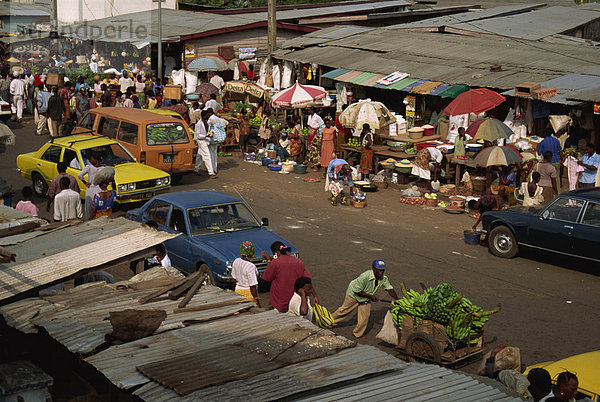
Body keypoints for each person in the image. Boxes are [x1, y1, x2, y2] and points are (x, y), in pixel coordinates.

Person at [331, 260, 399, 338]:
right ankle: (329, 323)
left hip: (366, 297)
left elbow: (389, 289)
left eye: (382, 270)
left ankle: (357, 333)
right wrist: (370, 296)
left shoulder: (383, 278)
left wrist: (397, 298)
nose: (381, 272)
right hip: (354, 295)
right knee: (343, 311)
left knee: (365, 316)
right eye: (379, 270)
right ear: (373, 269)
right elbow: (356, 291)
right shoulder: (365, 276)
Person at [261, 241, 316, 313]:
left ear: (275, 252)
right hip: (295, 299)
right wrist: (315, 295)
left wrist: (269, 261)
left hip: (280, 301)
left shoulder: (275, 263)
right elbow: (307, 279)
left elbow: (267, 278)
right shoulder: (298, 261)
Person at [231, 241, 261, 307]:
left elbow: (234, 279)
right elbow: (252, 286)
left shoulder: (236, 261)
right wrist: (257, 301)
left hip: (238, 290)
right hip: (248, 292)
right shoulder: (251, 266)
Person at [78, 152, 103, 220]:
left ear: (96, 160)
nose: (91, 161)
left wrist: (85, 183)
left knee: (88, 207)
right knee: (98, 207)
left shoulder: (89, 167)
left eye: (92, 159)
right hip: (99, 189)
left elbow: (79, 175)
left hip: (90, 189)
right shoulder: (103, 169)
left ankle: (89, 219)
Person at [537, 128, 563, 194]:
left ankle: (548, 193)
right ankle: (557, 194)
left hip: (547, 163)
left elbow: (539, 153)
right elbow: (560, 151)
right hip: (556, 161)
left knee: (547, 179)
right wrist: (561, 160)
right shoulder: (556, 141)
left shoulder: (542, 142)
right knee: (556, 179)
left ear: (545, 134)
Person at [194, 110, 216, 178]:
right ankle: (211, 172)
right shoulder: (199, 124)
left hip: (206, 141)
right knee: (207, 156)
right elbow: (198, 135)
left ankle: (196, 169)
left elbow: (207, 131)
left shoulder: (206, 122)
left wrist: (210, 133)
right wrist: (205, 136)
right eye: (207, 115)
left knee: (199, 155)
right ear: (204, 116)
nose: (208, 117)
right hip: (201, 141)